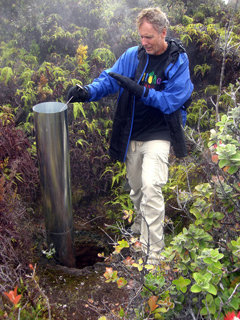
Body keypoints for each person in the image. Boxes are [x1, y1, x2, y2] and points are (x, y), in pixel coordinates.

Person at [67, 7, 193, 264]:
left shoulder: (177, 61)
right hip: (132, 133)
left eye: (149, 37)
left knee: (150, 186)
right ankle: (138, 227)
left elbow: (172, 101)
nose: (144, 42)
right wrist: (87, 92)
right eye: (141, 36)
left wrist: (142, 91)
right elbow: (109, 80)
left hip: (159, 133)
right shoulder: (132, 56)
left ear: (163, 33)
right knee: (136, 189)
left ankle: (153, 255)